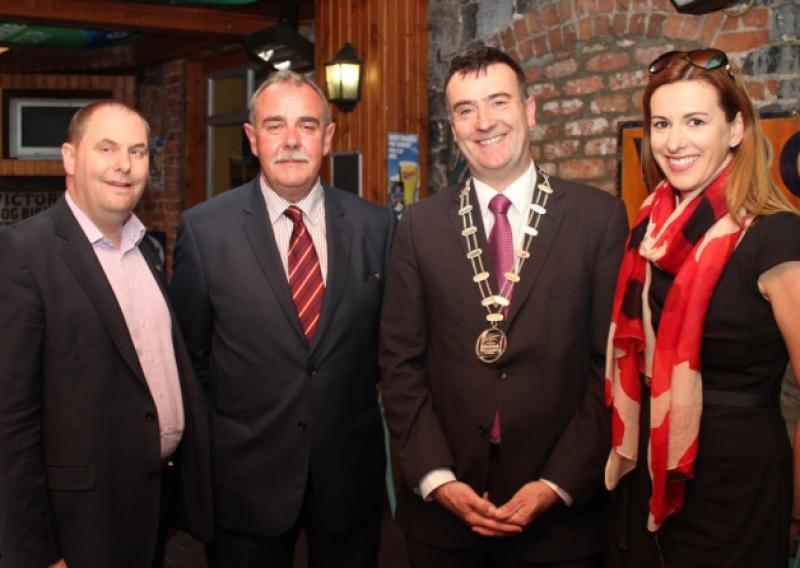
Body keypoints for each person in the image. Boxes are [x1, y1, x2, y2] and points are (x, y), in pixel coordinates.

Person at [379, 46, 628, 567]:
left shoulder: (597, 219)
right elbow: (400, 366)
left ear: (530, 111)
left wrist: (557, 483)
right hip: (443, 519)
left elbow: (608, 370)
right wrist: (436, 479)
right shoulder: (418, 227)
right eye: (466, 109)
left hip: (561, 518)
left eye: (498, 102)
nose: (484, 122)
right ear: (452, 124)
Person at [169, 70, 395, 568]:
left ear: (328, 138)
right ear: (252, 138)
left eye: (307, 125)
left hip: (348, 478)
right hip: (245, 482)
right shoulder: (205, 232)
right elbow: (192, 362)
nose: (291, 140)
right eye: (274, 125)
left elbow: (390, 352)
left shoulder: (377, 228)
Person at [604, 48, 800, 567]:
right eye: (662, 122)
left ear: (735, 128)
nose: (674, 141)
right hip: (647, 478)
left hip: (737, 488)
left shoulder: (777, 237)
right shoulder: (646, 233)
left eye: (696, 121)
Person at [0, 101, 213, 568]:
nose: (124, 165)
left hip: (152, 508)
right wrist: (37, 552)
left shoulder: (146, 251)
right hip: (78, 524)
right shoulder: (23, 253)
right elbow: (10, 423)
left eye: (137, 151)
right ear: (70, 158)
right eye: (107, 148)